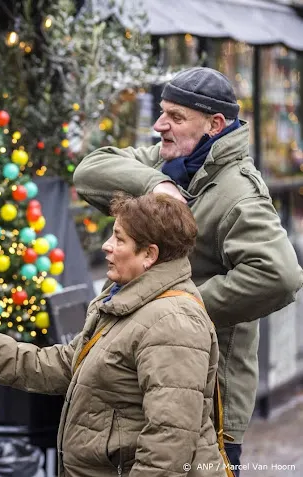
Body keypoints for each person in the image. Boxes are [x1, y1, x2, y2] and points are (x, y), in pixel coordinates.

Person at [73, 66, 303, 473]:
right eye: (162, 112)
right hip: (148, 385)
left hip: (207, 403)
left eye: (176, 117)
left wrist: (176, 310)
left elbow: (280, 276)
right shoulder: (172, 162)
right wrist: (155, 185)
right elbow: (90, 171)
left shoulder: (239, 193)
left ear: (215, 125)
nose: (161, 125)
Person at [0, 194, 228, 477]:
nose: (106, 246)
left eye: (119, 239)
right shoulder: (128, 300)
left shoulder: (173, 322)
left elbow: (168, 445)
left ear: (149, 255)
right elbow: (67, 364)